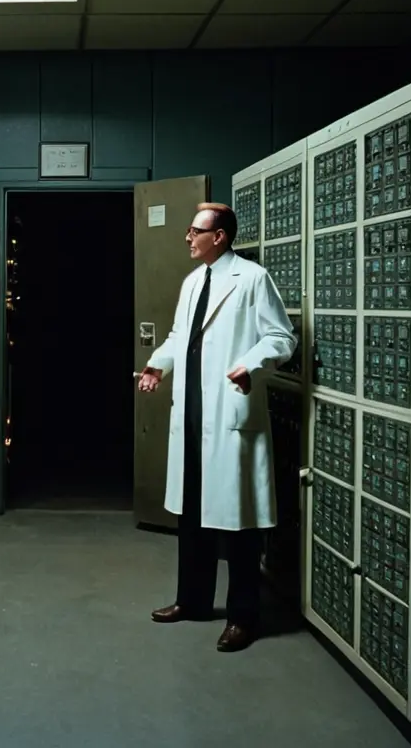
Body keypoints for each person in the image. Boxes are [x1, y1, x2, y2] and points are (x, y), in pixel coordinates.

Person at [137, 202, 296, 652]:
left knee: (238, 524)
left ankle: (243, 618)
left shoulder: (251, 279)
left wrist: (250, 364)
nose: (187, 238)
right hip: (192, 413)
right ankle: (192, 601)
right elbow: (177, 338)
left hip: (230, 412)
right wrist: (156, 366)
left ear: (219, 236)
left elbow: (282, 337)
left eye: (194, 231)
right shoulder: (192, 282)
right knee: (193, 516)